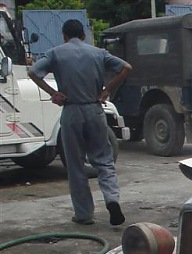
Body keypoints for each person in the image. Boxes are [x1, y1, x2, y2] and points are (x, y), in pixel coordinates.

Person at [28, 19, 131, 226]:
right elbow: (126, 67)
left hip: (71, 110)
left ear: (64, 36)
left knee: (75, 164)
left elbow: (32, 72)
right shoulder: (98, 53)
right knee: (104, 159)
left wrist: (54, 93)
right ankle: (112, 199)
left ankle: (84, 214)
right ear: (83, 35)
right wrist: (106, 91)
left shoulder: (56, 53)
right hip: (94, 109)